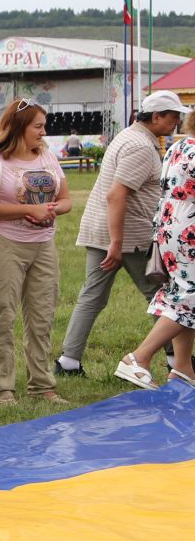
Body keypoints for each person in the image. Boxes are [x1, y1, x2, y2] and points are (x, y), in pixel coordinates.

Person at [56, 92, 189, 377]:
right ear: (156, 117)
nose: (177, 123)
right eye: (173, 117)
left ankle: (69, 361)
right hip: (127, 235)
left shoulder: (129, 136)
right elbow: (117, 195)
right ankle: (174, 361)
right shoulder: (141, 146)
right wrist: (115, 243)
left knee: (92, 296)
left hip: (106, 230)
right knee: (163, 295)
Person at [0, 99, 72, 405]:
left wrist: (52, 209)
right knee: (2, 316)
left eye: (44, 126)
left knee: (41, 317)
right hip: (7, 245)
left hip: (43, 245)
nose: (44, 133)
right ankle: (2, 389)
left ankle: (42, 386)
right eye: (38, 126)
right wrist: (28, 209)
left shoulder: (45, 155)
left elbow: (67, 199)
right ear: (19, 127)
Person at [116, 111, 195, 388]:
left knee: (180, 292)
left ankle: (183, 367)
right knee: (190, 296)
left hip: (170, 225)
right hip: (190, 230)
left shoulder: (179, 146)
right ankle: (138, 357)